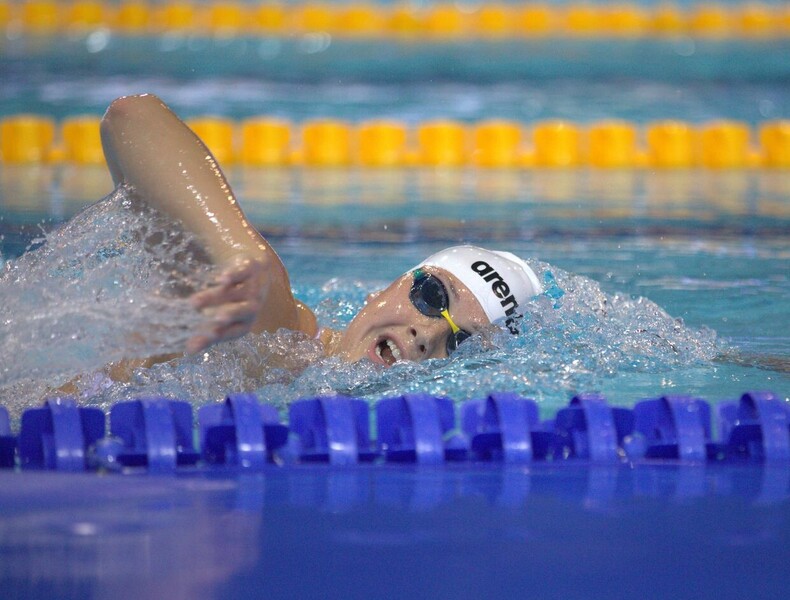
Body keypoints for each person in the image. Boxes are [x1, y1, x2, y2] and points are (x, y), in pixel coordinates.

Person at [100, 94, 542, 369]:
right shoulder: (272, 326)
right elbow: (131, 117)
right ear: (383, 290)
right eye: (433, 298)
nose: (426, 335)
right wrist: (232, 249)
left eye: (459, 343)